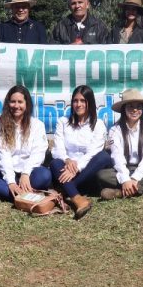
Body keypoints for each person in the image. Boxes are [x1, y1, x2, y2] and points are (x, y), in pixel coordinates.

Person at [0, 85, 50, 200]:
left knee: (45, 175)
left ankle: (0, 194)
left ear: (27, 104)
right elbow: (3, 156)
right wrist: (11, 182)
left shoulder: (37, 125)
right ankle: (23, 195)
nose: (16, 106)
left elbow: (38, 153)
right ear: (8, 104)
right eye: (13, 102)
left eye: (20, 102)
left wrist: (25, 174)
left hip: (30, 174)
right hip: (5, 175)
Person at [97, 89, 143, 199]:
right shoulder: (115, 129)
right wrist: (125, 179)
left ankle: (120, 193)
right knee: (102, 175)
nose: (135, 110)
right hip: (125, 169)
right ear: (124, 109)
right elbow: (116, 156)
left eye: (138, 106)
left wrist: (135, 178)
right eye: (130, 106)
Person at [50, 85, 112, 219]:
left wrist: (76, 167)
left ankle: (64, 191)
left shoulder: (98, 124)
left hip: (86, 172)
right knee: (55, 162)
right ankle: (78, 199)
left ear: (90, 102)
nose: (78, 104)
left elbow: (92, 153)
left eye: (83, 101)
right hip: (65, 169)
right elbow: (58, 148)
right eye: (75, 101)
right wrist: (67, 160)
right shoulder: (63, 122)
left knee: (103, 157)